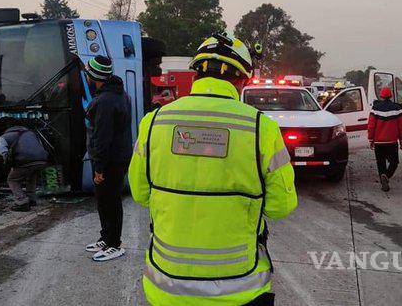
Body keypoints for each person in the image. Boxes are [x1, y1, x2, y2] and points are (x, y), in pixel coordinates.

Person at [128, 33, 298, 306]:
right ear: (242, 80)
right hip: (240, 289)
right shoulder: (261, 129)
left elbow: (139, 193)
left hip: (166, 287)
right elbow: (281, 206)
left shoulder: (153, 122)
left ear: (195, 75)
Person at [83, 55, 133, 262]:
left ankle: (114, 243)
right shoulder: (119, 95)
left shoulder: (105, 101)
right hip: (115, 157)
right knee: (104, 201)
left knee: (110, 201)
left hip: (110, 160)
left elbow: (102, 137)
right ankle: (106, 237)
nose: (86, 78)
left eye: (87, 74)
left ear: (94, 77)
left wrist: (100, 169)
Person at [0, 120, 48, 212]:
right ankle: (32, 200)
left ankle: (21, 201)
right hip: (42, 160)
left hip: (25, 161)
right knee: (31, 177)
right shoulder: (31, 133)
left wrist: (7, 159)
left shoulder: (4, 136)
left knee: (12, 179)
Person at [367, 87, 402, 192]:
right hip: (392, 142)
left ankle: (383, 178)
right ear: (391, 96)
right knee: (394, 162)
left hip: (379, 142)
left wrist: (371, 139)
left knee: (381, 163)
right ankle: (387, 176)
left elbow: (371, 126)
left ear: (381, 96)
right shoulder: (397, 109)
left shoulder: (375, 109)